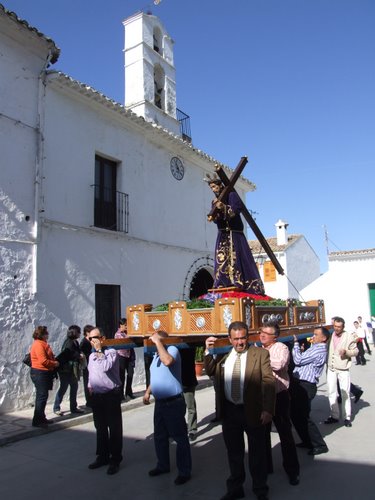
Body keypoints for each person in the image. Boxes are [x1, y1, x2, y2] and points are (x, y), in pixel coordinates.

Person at [204, 321, 275, 500]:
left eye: (243, 338)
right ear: (230, 339)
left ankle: (260, 489)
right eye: (235, 339)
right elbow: (211, 371)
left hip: (253, 410)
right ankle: (236, 488)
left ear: (248, 337)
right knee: (234, 453)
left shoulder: (260, 354)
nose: (240, 342)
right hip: (230, 411)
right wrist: (207, 350)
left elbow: (268, 382)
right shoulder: (223, 355)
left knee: (257, 454)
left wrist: (268, 409)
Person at [143, 331, 192, 486]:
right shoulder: (156, 355)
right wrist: (148, 392)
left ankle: (184, 471)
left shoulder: (171, 350)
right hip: (160, 403)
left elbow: (168, 361)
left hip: (173, 402)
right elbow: (156, 376)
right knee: (160, 437)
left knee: (179, 438)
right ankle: (163, 465)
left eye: (154, 338)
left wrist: (158, 342)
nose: (151, 340)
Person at [206, 176, 265, 294]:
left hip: (235, 233)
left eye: (214, 186)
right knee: (222, 259)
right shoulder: (214, 201)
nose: (213, 189)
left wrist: (223, 207)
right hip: (223, 234)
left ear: (220, 185)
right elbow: (218, 219)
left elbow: (235, 211)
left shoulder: (232, 195)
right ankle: (223, 282)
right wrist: (214, 216)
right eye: (211, 187)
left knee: (238, 258)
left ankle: (240, 282)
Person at [259, 321, 299, 486]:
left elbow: (280, 364)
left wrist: (260, 360)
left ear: (274, 337)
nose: (262, 335)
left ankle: (292, 471)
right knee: (262, 435)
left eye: (266, 334)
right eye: (261, 332)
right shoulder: (258, 349)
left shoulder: (281, 348)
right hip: (262, 398)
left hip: (279, 396)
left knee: (285, 434)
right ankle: (266, 467)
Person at [87, 327, 123, 475]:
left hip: (111, 395)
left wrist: (99, 351)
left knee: (114, 429)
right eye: (90, 338)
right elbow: (92, 372)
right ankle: (102, 456)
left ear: (102, 338)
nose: (92, 341)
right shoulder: (91, 356)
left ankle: (115, 459)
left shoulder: (111, 353)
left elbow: (105, 366)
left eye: (95, 338)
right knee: (100, 428)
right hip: (97, 396)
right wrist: (90, 385)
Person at [290, 327, 329, 456]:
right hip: (302, 384)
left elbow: (298, 360)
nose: (313, 336)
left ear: (324, 338)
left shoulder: (319, 348)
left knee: (304, 417)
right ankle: (307, 441)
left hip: (306, 385)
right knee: (296, 415)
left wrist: (295, 344)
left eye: (316, 334)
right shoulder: (315, 347)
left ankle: (319, 445)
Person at [325, 317, 358, 428]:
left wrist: (346, 352)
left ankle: (347, 417)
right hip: (331, 368)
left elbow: (356, 351)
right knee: (331, 392)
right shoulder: (330, 335)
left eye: (339, 327)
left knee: (345, 393)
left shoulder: (349, 336)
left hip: (343, 368)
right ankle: (334, 415)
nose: (337, 328)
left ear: (343, 327)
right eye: (335, 326)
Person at [30, 325, 59, 428]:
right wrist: (54, 363)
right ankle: (37, 420)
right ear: (42, 334)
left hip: (42, 373)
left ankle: (41, 418)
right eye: (46, 333)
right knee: (41, 397)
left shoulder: (42, 344)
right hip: (40, 372)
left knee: (43, 396)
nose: (48, 334)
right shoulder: (38, 344)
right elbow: (43, 361)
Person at [53, 325, 85, 416]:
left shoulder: (75, 342)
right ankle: (56, 407)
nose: (80, 334)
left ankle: (73, 407)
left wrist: (79, 355)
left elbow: (77, 352)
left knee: (74, 387)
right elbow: (68, 354)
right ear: (75, 332)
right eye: (78, 332)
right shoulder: (69, 342)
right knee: (63, 388)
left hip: (72, 369)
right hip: (65, 370)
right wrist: (78, 356)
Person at [114, 318, 136, 401]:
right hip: (121, 356)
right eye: (125, 325)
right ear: (121, 325)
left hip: (129, 355)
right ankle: (121, 394)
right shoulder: (118, 334)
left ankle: (129, 392)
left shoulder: (127, 333)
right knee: (121, 375)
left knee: (130, 373)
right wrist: (129, 336)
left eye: (127, 325)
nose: (126, 327)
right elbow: (124, 341)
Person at [180, 347, 198, 441]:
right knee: (180, 408)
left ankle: (192, 429)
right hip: (178, 382)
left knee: (190, 407)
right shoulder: (175, 346)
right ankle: (182, 428)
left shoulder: (190, 345)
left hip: (188, 381)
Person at [80, 324, 95, 408]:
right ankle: (89, 401)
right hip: (86, 365)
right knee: (87, 383)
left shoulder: (90, 341)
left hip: (91, 365)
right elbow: (82, 354)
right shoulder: (84, 342)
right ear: (87, 333)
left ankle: (92, 400)